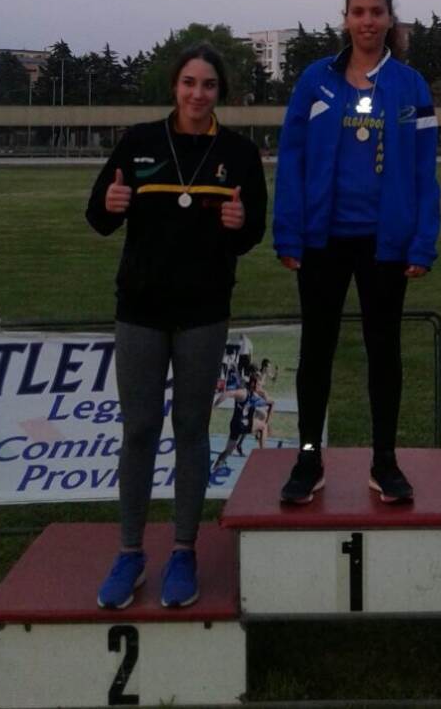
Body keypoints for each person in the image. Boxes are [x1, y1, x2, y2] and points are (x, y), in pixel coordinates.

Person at [86, 42, 267, 609]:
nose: (197, 93)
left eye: (208, 85)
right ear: (174, 87)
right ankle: (131, 552)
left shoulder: (237, 152)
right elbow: (97, 217)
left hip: (204, 311)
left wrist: (239, 223)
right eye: (189, 82)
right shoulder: (139, 141)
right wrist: (113, 203)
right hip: (140, 309)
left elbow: (252, 230)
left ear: (220, 93)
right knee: (139, 429)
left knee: (191, 429)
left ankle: (184, 549)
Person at [273, 0, 440, 505]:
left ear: (390, 19)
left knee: (383, 353)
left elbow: (424, 172)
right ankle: (307, 457)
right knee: (316, 351)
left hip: (384, 243)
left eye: (376, 11)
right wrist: (289, 232)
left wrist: (421, 242)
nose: (367, 21)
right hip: (322, 240)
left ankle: (384, 461)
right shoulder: (314, 81)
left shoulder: (411, 85)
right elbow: (292, 161)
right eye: (358, 11)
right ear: (344, 18)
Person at [212, 373, 273, 469]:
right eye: (258, 385)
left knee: (228, 451)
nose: (260, 388)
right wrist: (214, 406)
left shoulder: (254, 394)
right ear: (253, 384)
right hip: (241, 424)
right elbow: (227, 393)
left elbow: (268, 404)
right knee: (263, 426)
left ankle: (215, 467)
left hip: (235, 425)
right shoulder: (243, 393)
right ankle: (263, 454)